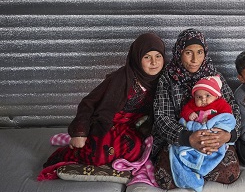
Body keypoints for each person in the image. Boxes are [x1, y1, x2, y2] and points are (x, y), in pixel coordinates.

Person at [40, 32, 165, 176]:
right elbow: (88, 103)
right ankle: (67, 152)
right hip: (106, 123)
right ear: (137, 58)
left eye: (158, 56)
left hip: (132, 128)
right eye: (147, 57)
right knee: (100, 154)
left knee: (135, 151)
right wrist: (79, 132)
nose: (154, 62)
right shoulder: (121, 78)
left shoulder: (162, 81)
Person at [152, 28, 241, 190]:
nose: (195, 59)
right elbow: (161, 116)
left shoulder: (214, 76)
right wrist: (189, 139)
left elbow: (233, 108)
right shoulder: (168, 78)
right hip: (181, 139)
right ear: (179, 52)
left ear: (205, 53)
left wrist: (227, 135)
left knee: (231, 173)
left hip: (215, 138)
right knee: (164, 180)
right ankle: (194, 168)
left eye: (199, 52)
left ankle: (196, 169)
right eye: (188, 53)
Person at [170, 75, 236, 192]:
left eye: (207, 96)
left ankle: (203, 164)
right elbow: (184, 111)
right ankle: (193, 172)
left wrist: (214, 123)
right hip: (195, 133)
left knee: (214, 143)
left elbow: (228, 116)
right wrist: (189, 114)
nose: (203, 99)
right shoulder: (192, 104)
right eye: (199, 97)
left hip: (213, 132)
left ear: (216, 95)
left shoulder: (220, 104)